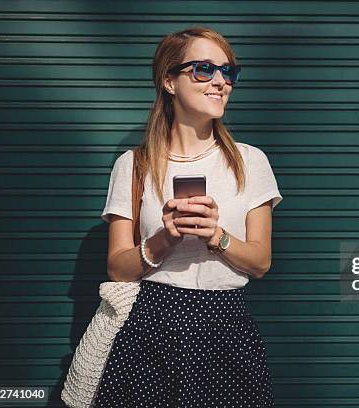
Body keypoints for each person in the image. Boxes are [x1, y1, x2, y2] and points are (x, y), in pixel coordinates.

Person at [93, 26, 282, 407]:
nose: (220, 82)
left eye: (228, 72)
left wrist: (218, 236)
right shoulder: (133, 165)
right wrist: (165, 238)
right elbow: (117, 268)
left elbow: (261, 262)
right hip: (149, 327)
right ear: (169, 81)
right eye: (203, 70)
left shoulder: (250, 161)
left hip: (225, 328)